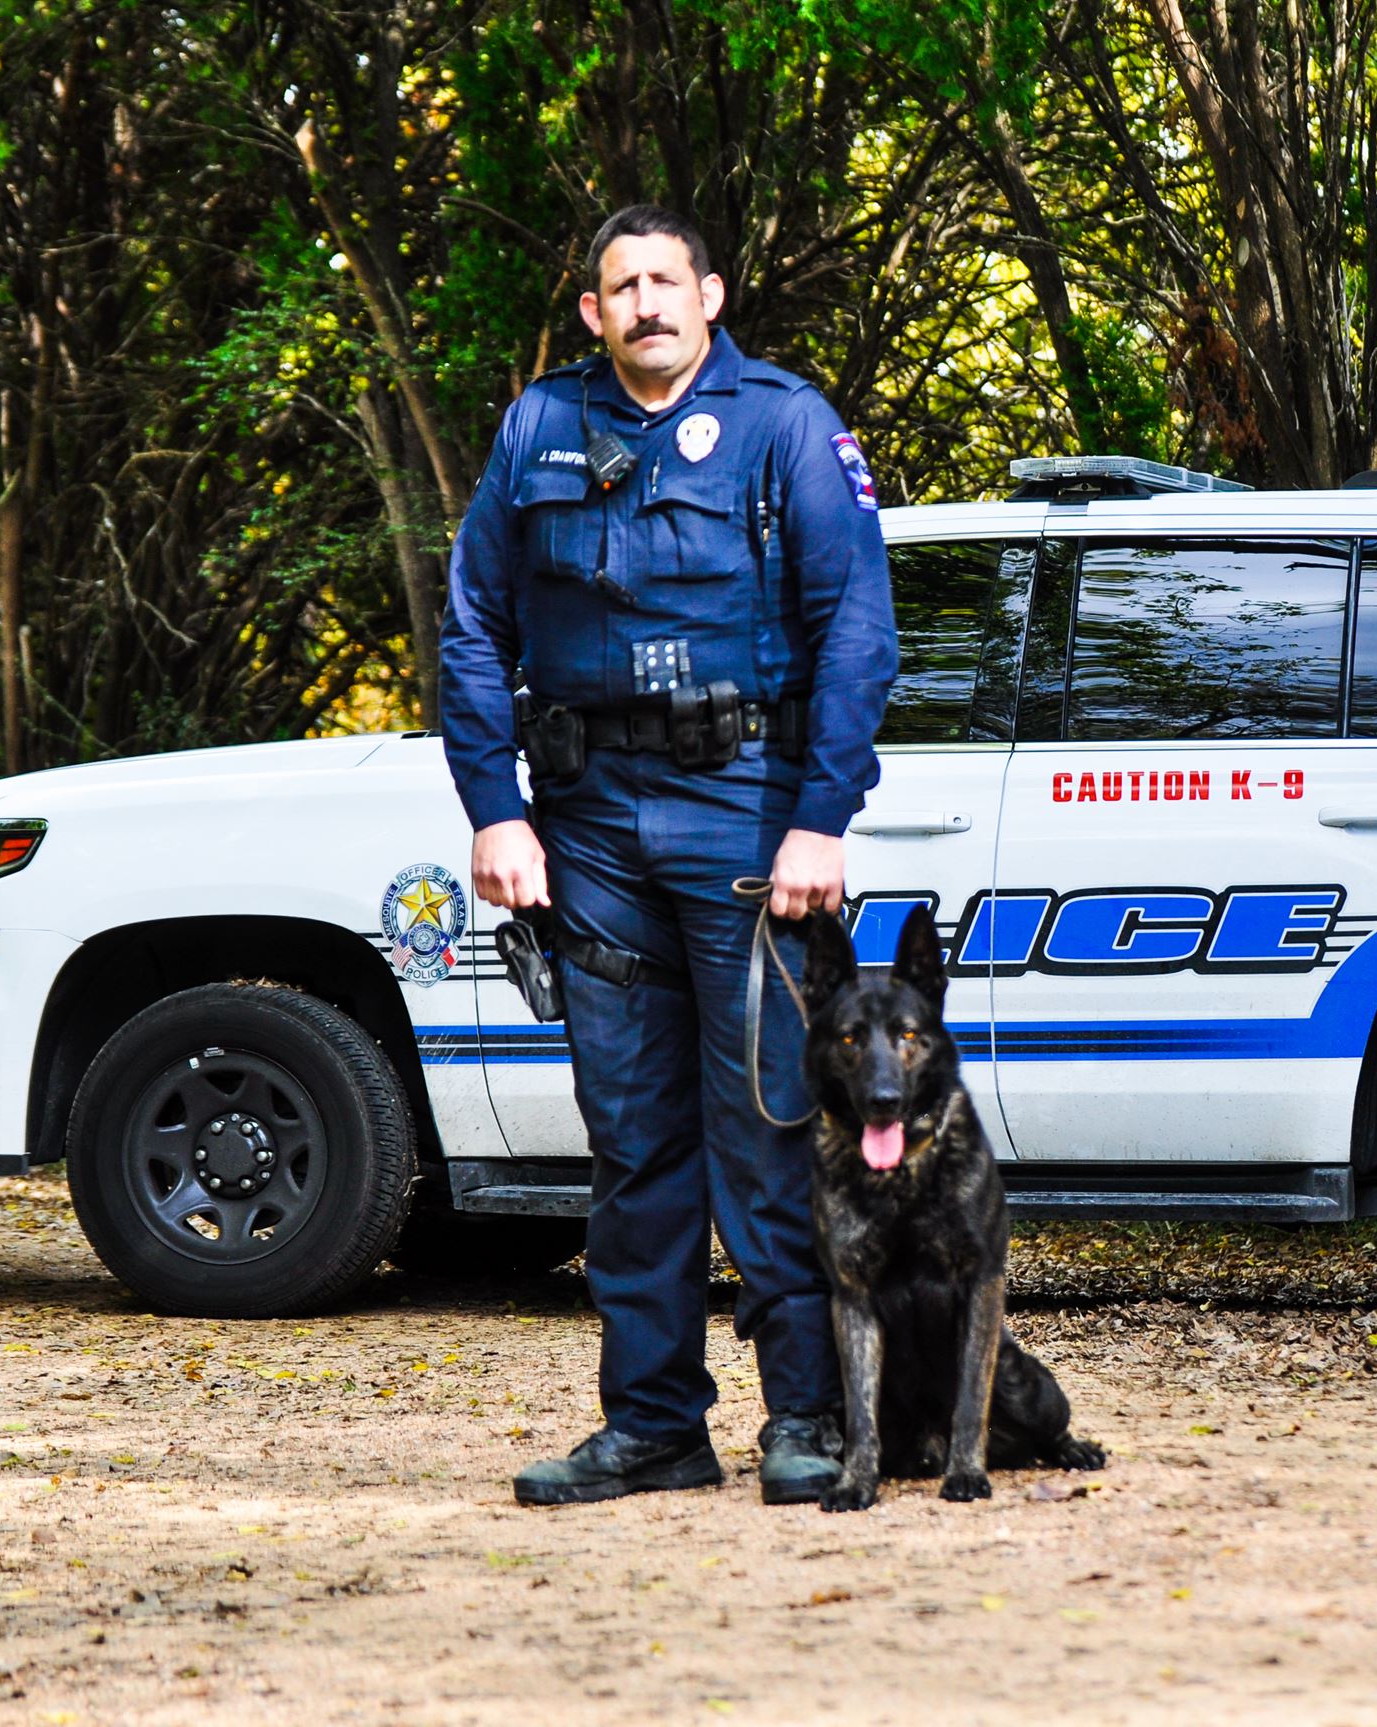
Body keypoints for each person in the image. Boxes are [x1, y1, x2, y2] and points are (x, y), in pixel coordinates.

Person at [439, 205, 897, 1507]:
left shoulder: (786, 426)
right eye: (618, 286)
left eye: (663, 281)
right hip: (588, 824)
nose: (643, 302)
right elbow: (476, 620)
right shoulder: (540, 428)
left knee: (766, 1128)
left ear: (710, 295)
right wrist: (495, 805)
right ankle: (653, 1428)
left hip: (746, 810)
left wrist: (822, 816)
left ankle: (805, 1419)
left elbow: (856, 624)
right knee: (633, 1142)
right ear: (593, 312)